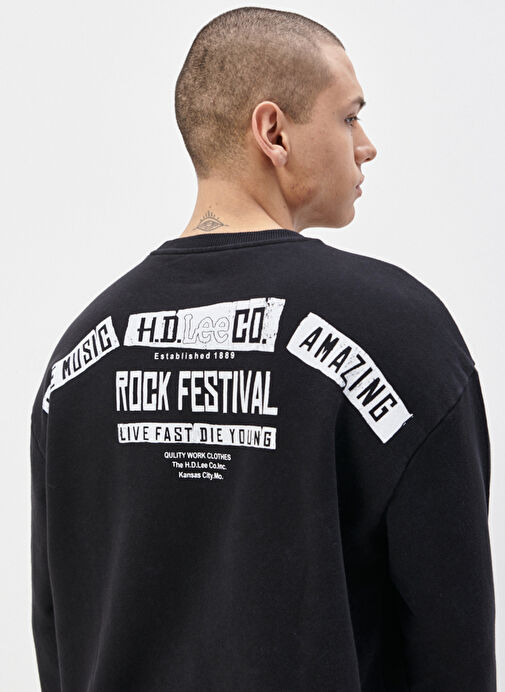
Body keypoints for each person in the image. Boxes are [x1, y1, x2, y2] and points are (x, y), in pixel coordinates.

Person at [30, 7, 496, 691]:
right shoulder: (399, 333)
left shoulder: (77, 363)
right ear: (273, 132)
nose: (366, 145)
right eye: (348, 117)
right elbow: (452, 641)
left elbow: (59, 635)